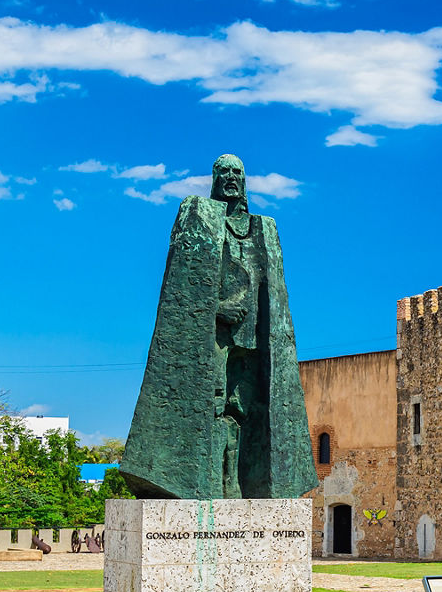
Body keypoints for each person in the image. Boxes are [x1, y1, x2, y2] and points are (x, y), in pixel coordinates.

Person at [120, 155, 316, 500]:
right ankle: (208, 482)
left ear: (245, 180)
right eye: (222, 172)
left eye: (236, 172)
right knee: (213, 404)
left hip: (255, 337)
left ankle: (237, 483)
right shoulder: (200, 216)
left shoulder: (263, 227)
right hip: (213, 335)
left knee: (244, 406)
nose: (230, 177)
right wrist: (216, 309)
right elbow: (184, 283)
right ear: (213, 178)